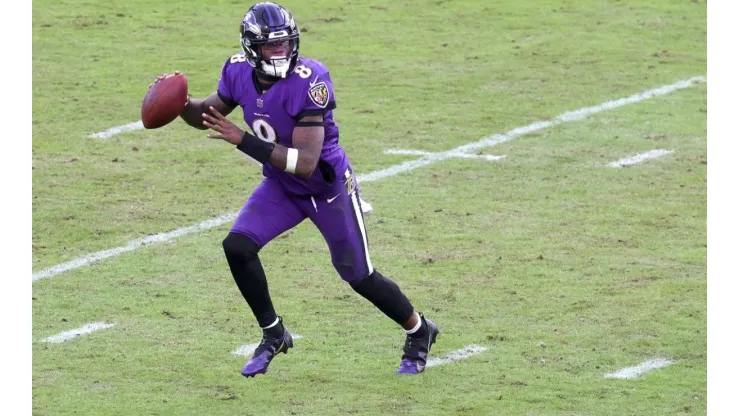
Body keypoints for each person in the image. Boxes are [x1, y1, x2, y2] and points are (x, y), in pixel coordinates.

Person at [155, 1, 438, 376]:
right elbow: (210, 114)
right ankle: (274, 333)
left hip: (325, 188)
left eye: (285, 44)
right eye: (271, 46)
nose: (280, 52)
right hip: (282, 186)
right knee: (237, 246)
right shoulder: (238, 70)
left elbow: (305, 163)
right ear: (251, 47)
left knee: (359, 276)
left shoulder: (310, 78)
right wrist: (178, 102)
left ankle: (419, 330)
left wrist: (242, 139)